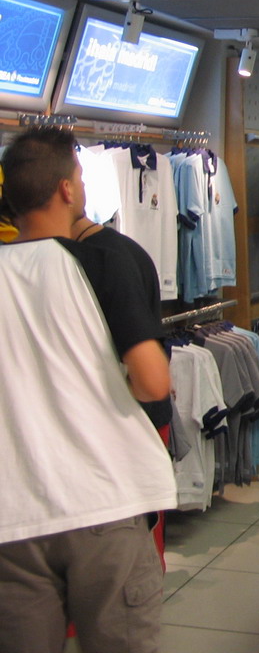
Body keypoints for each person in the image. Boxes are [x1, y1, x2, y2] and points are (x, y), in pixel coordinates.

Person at [0, 128, 176, 653]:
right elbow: (152, 380)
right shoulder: (101, 260)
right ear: (67, 191)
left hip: (13, 515)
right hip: (102, 500)